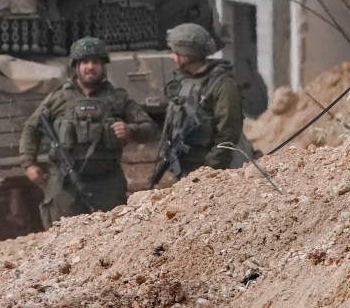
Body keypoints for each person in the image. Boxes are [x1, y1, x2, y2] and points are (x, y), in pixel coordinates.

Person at [18, 37, 155, 225]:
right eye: (85, 62)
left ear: (103, 66)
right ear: (76, 66)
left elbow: (150, 129)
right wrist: (28, 163)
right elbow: (31, 128)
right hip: (65, 185)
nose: (90, 67)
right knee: (64, 240)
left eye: (96, 62)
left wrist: (130, 130)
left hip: (106, 183)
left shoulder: (117, 98)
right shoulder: (57, 98)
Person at [156, 22, 247, 179]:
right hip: (188, 167)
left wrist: (209, 170)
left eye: (175, 51)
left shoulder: (222, 85)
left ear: (187, 52)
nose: (172, 56)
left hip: (215, 171)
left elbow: (228, 134)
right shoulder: (184, 80)